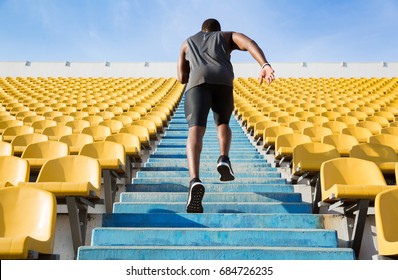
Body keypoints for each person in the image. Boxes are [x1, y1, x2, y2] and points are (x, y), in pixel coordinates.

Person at [177, 18, 275, 213]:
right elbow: (249, 43)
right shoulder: (226, 36)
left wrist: (194, 64)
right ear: (217, 30)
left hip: (198, 82)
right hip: (223, 80)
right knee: (223, 123)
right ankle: (223, 157)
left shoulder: (188, 42)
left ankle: (195, 180)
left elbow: (181, 78)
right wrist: (264, 64)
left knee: (196, 129)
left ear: (202, 30)